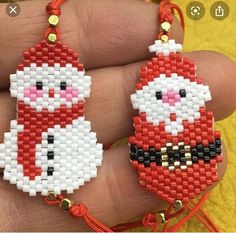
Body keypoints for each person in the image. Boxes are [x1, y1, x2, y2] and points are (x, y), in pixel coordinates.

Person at [0, 0, 234, 231]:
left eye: (179, 93)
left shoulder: (184, 132)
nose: (51, 93)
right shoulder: (25, 134)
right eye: (39, 87)